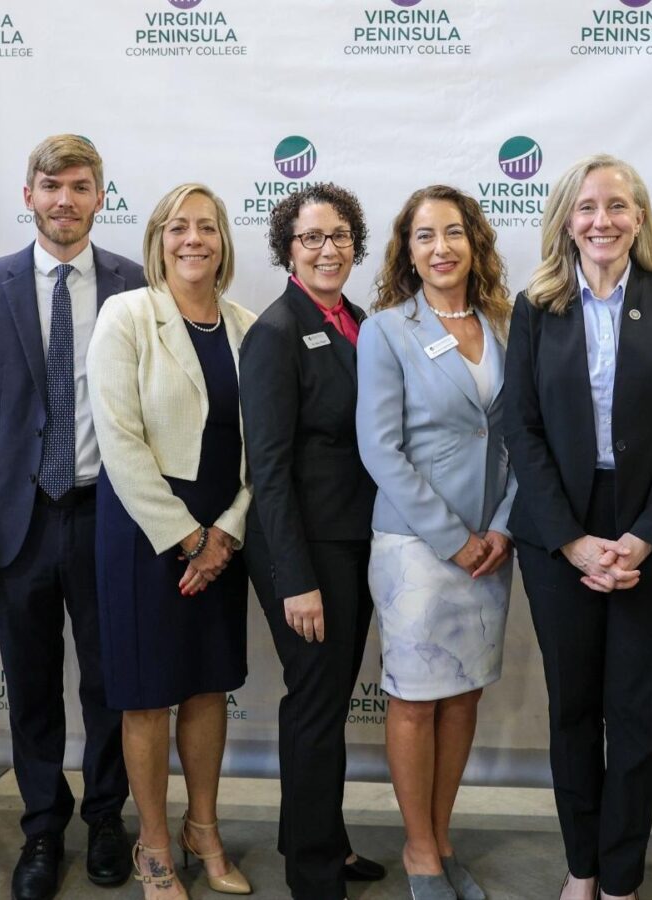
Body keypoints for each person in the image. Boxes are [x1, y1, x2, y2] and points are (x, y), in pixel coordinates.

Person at [502, 154, 652, 900]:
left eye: (618, 206)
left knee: (634, 712)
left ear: (640, 217)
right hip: (559, 529)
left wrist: (645, 536)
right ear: (566, 220)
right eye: (588, 207)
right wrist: (570, 540)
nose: (603, 220)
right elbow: (521, 428)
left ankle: (621, 878)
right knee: (572, 708)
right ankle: (582, 868)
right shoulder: (536, 306)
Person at [0, 134, 141, 900]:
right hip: (15, 523)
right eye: (51, 185)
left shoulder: (134, 283)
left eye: (80, 186)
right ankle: (43, 827)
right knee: (28, 685)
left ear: (99, 198)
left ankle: (107, 817)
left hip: (107, 518)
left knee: (112, 683)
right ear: (28, 194)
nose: (65, 199)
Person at [89, 183, 257, 899]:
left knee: (208, 686)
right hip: (146, 533)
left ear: (223, 241)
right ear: (158, 238)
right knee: (147, 696)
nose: (194, 239)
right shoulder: (127, 314)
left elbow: (264, 449)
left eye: (207, 227)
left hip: (225, 531)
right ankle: (154, 845)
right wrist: (188, 537)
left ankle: (203, 829)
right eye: (179, 227)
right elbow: (119, 440)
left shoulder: (248, 326)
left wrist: (226, 533)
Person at [357, 185, 518, 900]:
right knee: (416, 701)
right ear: (409, 251)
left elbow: (520, 436)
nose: (441, 247)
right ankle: (419, 849)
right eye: (425, 235)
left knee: (462, 698)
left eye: (453, 232)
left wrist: (504, 525)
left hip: (493, 546)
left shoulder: (505, 324)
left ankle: (443, 834)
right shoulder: (388, 330)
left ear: (474, 243)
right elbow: (380, 448)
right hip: (418, 546)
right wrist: (454, 539)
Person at [240, 183, 387, 900]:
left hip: (354, 539)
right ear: (287, 249)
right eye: (311, 238)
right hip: (302, 548)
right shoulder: (274, 333)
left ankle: (318, 838)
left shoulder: (358, 321)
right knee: (317, 706)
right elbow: (267, 469)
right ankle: (313, 875)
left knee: (325, 702)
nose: (328, 250)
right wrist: (295, 578)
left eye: (339, 236)